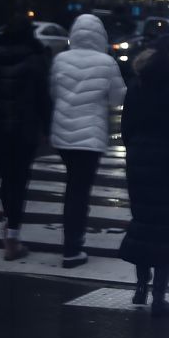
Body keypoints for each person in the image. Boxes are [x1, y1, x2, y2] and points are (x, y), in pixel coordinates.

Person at [119, 37, 169, 317]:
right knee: (167, 227)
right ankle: (159, 297)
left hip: (139, 158)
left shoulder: (137, 83)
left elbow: (125, 125)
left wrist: (135, 151)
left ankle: (141, 285)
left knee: (142, 222)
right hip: (168, 159)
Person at [49, 13, 126, 269]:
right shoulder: (106, 62)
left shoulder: (60, 59)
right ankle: (72, 247)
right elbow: (118, 98)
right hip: (90, 137)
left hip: (62, 135)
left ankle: (72, 239)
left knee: (72, 187)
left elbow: (53, 91)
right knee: (79, 191)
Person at [0, 15, 52, 261]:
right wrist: (48, 129)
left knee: (6, 179)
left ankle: (8, 228)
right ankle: (12, 238)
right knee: (19, 181)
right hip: (23, 130)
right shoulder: (36, 61)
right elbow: (43, 100)